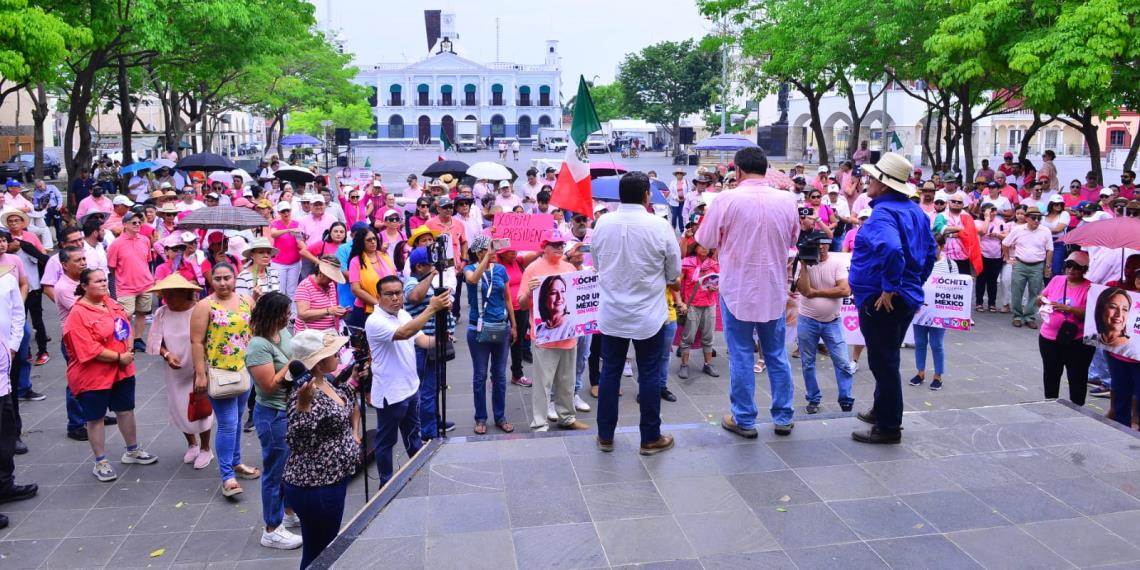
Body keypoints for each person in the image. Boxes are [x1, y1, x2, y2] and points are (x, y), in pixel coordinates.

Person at [695, 147, 800, 438]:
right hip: (773, 288)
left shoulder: (726, 199)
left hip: (737, 289)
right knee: (776, 353)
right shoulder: (788, 200)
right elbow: (794, 238)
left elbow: (704, 239)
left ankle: (744, 417)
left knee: (741, 354)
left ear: (738, 171)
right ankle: (783, 416)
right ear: (765, 169)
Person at [848, 152, 937, 444]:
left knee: (883, 362)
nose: (868, 181)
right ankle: (881, 410)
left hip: (882, 300)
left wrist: (889, 287)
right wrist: (912, 283)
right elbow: (930, 253)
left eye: (872, 178)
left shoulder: (884, 214)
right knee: (886, 358)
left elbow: (892, 250)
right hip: (902, 297)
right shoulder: (915, 212)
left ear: (884, 185)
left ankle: (888, 427)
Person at [593, 171, 680, 454]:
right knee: (650, 373)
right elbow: (674, 272)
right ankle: (650, 437)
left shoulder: (602, 223)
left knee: (611, 373)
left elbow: (597, 262)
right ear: (646, 196)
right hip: (647, 315)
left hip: (613, 313)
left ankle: (605, 435)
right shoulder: (659, 226)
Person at [63, 269, 158, 481]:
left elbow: (125, 326)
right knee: (95, 418)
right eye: (98, 281)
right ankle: (101, 461)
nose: (104, 283)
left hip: (122, 371)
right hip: (94, 376)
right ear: (85, 286)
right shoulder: (77, 313)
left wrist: (130, 350)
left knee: (126, 410)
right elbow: (88, 349)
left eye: (105, 279)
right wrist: (118, 357)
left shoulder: (110, 302)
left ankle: (132, 450)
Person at [282, 329, 360, 569]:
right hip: (316, 485)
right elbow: (297, 440)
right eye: (333, 353)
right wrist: (304, 406)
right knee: (319, 552)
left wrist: (353, 379)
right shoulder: (303, 394)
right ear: (318, 362)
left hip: (331, 479)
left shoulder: (323, 382)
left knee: (322, 547)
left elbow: (339, 401)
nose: (339, 355)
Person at [367, 275, 449, 485]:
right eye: (389, 294)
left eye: (398, 293)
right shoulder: (375, 321)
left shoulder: (402, 313)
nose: (395, 298)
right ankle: (386, 483)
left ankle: (419, 473)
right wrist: (431, 309)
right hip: (391, 393)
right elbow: (403, 333)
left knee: (414, 436)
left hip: (411, 388)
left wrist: (442, 337)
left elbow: (420, 339)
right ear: (378, 297)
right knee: (387, 441)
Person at [190, 262, 259, 497]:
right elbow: (197, 342)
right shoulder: (204, 305)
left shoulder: (246, 301)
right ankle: (227, 475)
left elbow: (254, 330)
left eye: (227, 277)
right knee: (228, 424)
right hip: (219, 372)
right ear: (211, 281)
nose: (222, 283)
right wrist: (200, 373)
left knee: (238, 420)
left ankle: (236, 462)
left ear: (235, 277)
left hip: (244, 369)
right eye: (217, 278)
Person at [244, 291, 303, 550]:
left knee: (289, 466)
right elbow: (268, 385)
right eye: (285, 313)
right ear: (272, 316)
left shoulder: (284, 332)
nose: (288, 317)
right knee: (275, 472)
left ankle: (288, 513)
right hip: (273, 415)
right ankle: (271, 529)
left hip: (289, 409)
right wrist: (292, 364)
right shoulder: (258, 346)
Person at [518, 230, 587, 432]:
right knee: (542, 384)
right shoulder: (532, 269)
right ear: (544, 246)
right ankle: (540, 422)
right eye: (554, 244)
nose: (559, 247)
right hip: (544, 337)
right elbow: (522, 304)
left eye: (561, 244)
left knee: (567, 381)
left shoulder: (568, 267)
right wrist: (530, 291)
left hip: (568, 335)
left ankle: (567, 417)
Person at [146, 274, 216, 470]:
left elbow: (209, 340)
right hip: (174, 369)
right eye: (164, 294)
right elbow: (155, 342)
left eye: (170, 294)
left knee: (201, 406)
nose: (166, 298)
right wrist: (167, 354)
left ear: (184, 293)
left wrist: (202, 366)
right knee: (178, 407)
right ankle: (191, 444)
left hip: (198, 366)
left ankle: (205, 448)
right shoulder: (161, 313)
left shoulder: (199, 311)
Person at [463, 235, 517, 434]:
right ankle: (481, 418)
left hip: (500, 326)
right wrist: (486, 258)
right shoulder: (470, 269)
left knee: (500, 375)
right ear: (478, 253)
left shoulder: (501, 270)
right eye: (487, 250)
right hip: (478, 329)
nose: (493, 254)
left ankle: (500, 416)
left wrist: (513, 325)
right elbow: (473, 279)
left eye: (492, 250)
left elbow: (508, 299)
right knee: (480, 375)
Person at [794, 240, 855, 413]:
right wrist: (804, 265)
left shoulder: (836, 263)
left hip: (832, 321)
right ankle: (813, 398)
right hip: (807, 320)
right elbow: (805, 290)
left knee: (843, 362)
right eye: (817, 244)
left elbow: (845, 290)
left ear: (829, 245)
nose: (820, 247)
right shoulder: (803, 265)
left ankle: (846, 399)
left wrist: (816, 292)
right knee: (807, 363)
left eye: (824, 244)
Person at [403, 247, 455, 438]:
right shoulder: (411, 282)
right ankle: (428, 431)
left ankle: (435, 419)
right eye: (431, 265)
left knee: (435, 387)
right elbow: (414, 297)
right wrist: (432, 274)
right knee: (427, 389)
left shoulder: (429, 283)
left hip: (437, 342)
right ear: (419, 266)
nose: (435, 268)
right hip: (423, 345)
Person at [1037, 251, 1095, 406]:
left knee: (1077, 377)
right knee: (1051, 374)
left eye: (1076, 267)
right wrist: (1041, 300)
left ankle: (1077, 408)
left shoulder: (1090, 287)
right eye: (1068, 265)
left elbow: (1089, 313)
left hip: (1077, 341)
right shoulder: (1057, 279)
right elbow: (1042, 297)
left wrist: (1067, 308)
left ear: (1084, 269)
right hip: (1049, 338)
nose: (1071, 270)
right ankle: (1050, 404)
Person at [910, 233, 960, 391]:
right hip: (921, 309)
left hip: (939, 312)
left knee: (937, 344)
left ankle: (938, 375)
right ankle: (920, 372)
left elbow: (956, 288)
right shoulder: (919, 262)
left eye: (934, 247)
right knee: (920, 342)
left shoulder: (951, 265)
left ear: (942, 247)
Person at [106, 209, 154, 352]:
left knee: (142, 312)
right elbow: (112, 267)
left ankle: (138, 339)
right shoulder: (116, 244)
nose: (138, 224)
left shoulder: (145, 240)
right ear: (125, 225)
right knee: (125, 315)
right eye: (134, 222)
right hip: (126, 287)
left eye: (140, 222)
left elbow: (148, 261)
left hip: (145, 284)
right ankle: (127, 342)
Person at [1002, 206, 1054, 328]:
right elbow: (1005, 243)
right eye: (1033, 218)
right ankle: (1017, 316)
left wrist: (1047, 266)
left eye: (1039, 218)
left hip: (1037, 265)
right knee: (1017, 291)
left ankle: (1030, 316)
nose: (1036, 220)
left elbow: (1050, 250)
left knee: (1035, 292)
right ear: (1026, 218)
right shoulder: (1018, 229)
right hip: (1020, 263)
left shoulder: (1045, 230)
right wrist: (1007, 258)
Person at [677, 242, 720, 379]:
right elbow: (676, 282)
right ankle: (684, 365)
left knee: (708, 336)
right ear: (695, 247)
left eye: (706, 246)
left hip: (709, 304)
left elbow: (720, 281)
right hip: (692, 305)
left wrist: (716, 287)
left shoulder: (713, 264)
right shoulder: (686, 263)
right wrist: (680, 302)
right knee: (688, 336)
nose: (704, 248)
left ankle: (708, 364)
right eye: (701, 245)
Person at [347, 227, 395, 329]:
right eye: (369, 240)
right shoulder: (356, 261)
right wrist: (379, 304)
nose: (373, 242)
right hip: (365, 311)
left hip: (390, 306)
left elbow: (394, 279)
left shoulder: (384, 256)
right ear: (361, 242)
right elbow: (355, 289)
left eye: (374, 239)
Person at [295, 256, 347, 333]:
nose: (332, 280)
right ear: (320, 273)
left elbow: (332, 308)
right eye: (330, 277)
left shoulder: (331, 284)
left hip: (330, 333)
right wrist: (328, 311)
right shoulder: (305, 286)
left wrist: (339, 312)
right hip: (310, 336)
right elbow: (302, 314)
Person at [269, 202, 304, 300]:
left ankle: (292, 314)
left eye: (287, 211)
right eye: (283, 211)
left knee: (292, 290)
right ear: (279, 213)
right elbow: (273, 234)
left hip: (295, 262)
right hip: (279, 263)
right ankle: (280, 313)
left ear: (290, 211)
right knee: (280, 291)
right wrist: (288, 230)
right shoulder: (275, 223)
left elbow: (301, 240)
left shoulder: (296, 223)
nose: (286, 213)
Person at [235, 237, 281, 302]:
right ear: (252, 255)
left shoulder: (274, 272)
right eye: (261, 252)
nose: (266, 255)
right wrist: (254, 298)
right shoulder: (243, 277)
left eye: (268, 252)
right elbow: (242, 306)